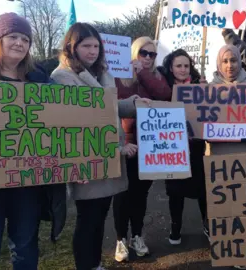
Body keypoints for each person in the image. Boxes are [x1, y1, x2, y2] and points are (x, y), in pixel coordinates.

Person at [0, 12, 66, 270]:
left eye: (25, 39)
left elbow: (64, 120)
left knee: (25, 245)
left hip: (26, 180)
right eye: (13, 36)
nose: (20, 43)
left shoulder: (40, 78)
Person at [50, 22, 149, 270]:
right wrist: (116, 150)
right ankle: (86, 265)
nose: (92, 51)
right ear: (72, 47)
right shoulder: (62, 76)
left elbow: (109, 106)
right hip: (87, 159)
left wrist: (135, 102)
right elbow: (78, 123)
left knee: (99, 216)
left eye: (96, 45)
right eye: (86, 46)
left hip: (107, 160)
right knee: (88, 218)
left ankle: (94, 264)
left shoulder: (103, 73)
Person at [113, 36, 172, 262]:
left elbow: (164, 94)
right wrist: (132, 75)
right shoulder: (119, 75)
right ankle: (120, 239)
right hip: (127, 143)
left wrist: (143, 74)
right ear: (134, 54)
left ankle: (137, 235)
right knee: (122, 194)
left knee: (140, 195)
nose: (147, 58)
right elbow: (116, 104)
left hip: (152, 145)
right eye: (143, 53)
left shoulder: (156, 76)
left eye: (152, 54)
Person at [211, 45, 246, 269]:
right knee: (228, 206)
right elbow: (204, 125)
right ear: (218, 64)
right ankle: (232, 248)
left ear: (240, 62)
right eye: (224, 61)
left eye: (233, 60)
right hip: (223, 156)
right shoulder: (208, 89)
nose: (229, 65)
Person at [157, 49, 209, 245]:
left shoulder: (199, 86)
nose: (183, 69)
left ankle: (207, 224)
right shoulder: (163, 87)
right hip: (172, 146)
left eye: (186, 65)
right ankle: (175, 226)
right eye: (178, 65)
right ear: (171, 67)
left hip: (196, 146)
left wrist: (207, 92)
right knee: (175, 190)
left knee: (202, 188)